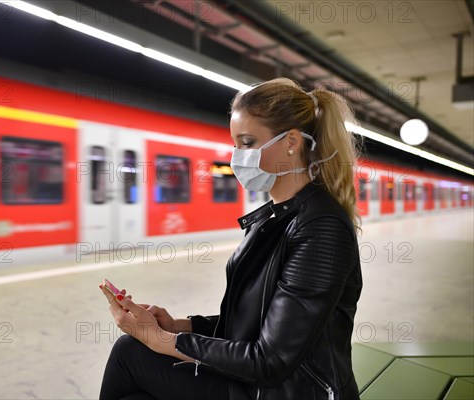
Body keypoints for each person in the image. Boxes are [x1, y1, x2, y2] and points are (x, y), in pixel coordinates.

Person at [99, 78, 363, 400]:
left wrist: (159, 340)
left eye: (248, 143)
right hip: (262, 385)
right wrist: (180, 327)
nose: (238, 156)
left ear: (291, 142)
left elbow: (271, 360)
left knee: (130, 353)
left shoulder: (321, 227)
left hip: (291, 391)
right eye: (235, 144)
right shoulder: (274, 217)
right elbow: (255, 323)